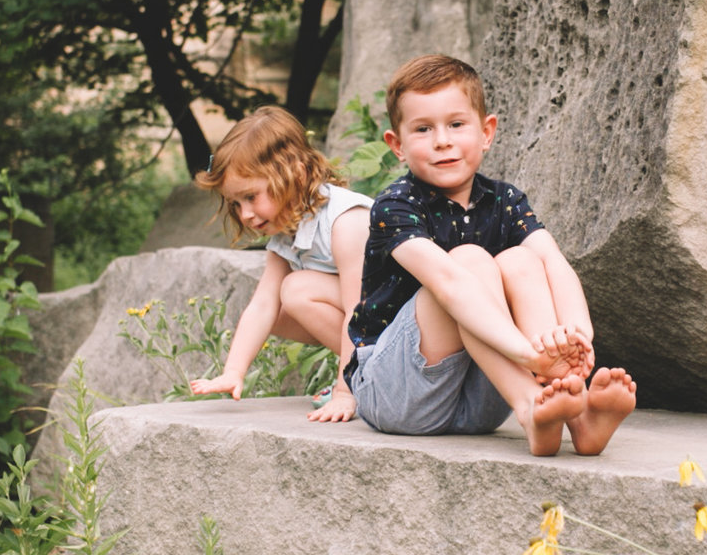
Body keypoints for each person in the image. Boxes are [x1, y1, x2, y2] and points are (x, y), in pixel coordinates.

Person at [345, 54, 636, 457]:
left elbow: (555, 265)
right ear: (396, 145)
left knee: (522, 261)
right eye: (423, 129)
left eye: (456, 124)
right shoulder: (396, 205)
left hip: (481, 399)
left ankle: (577, 417)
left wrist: (576, 342)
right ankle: (530, 406)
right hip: (400, 395)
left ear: (487, 132)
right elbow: (448, 284)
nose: (442, 140)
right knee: (469, 262)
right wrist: (530, 355)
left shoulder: (505, 201)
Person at [187, 106, 374, 422]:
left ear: (296, 175)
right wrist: (233, 371)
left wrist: (345, 392)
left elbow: (361, 312)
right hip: (375, 332)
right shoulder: (287, 235)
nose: (244, 214)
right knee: (276, 311)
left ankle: (359, 381)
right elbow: (261, 306)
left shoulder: (346, 222)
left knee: (297, 289)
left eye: (251, 196)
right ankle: (365, 374)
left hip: (405, 331)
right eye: (236, 203)